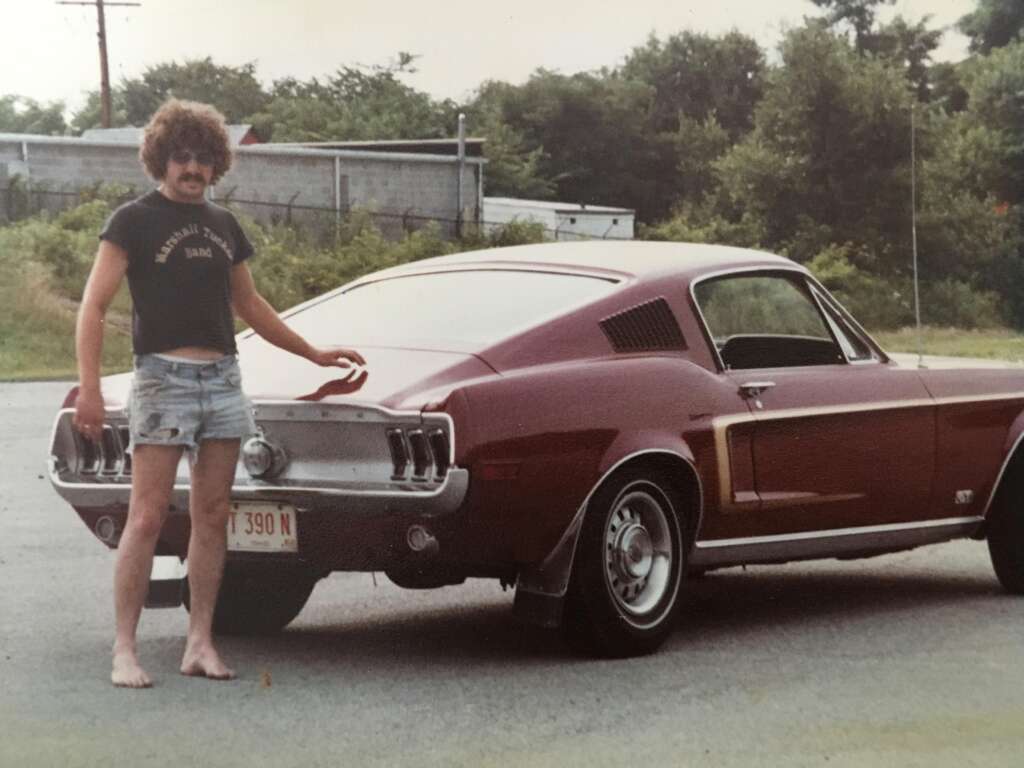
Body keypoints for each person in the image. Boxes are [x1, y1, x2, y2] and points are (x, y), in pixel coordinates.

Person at [73, 99, 364, 688]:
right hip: (161, 379)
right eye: (182, 156)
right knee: (148, 516)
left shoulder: (224, 226)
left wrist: (314, 353)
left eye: (204, 158)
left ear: (217, 165)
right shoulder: (133, 220)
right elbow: (94, 305)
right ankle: (124, 651)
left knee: (213, 516)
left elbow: (250, 305)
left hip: (223, 382)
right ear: (161, 158)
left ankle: (199, 643)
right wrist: (88, 389)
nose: (193, 168)